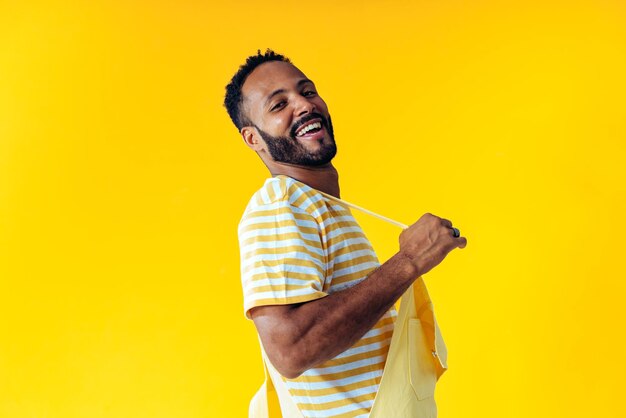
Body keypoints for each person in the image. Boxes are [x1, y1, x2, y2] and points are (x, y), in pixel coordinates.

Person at [224, 49, 467, 417]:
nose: (303, 105)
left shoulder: (319, 206)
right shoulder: (281, 202)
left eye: (307, 91)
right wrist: (409, 261)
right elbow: (291, 350)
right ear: (253, 138)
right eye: (279, 105)